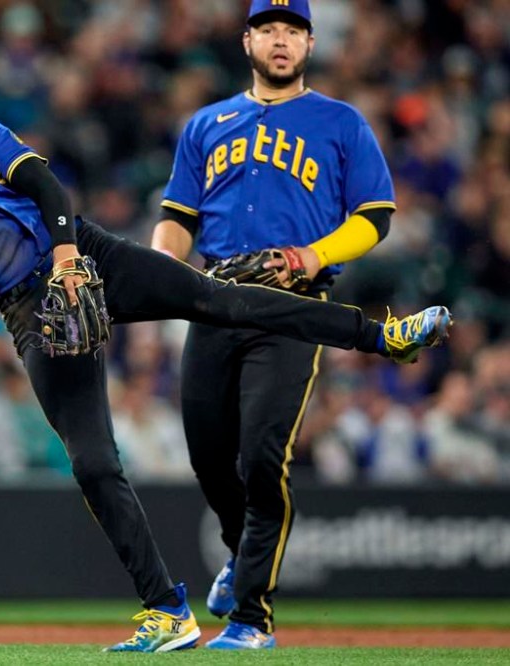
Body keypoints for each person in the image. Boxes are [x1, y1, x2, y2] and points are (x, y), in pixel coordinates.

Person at [0, 65, 451, 653]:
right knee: (91, 460)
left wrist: (71, 255)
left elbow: (43, 184)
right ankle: (166, 609)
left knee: (223, 299)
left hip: (88, 254)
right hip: (31, 311)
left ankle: (381, 335)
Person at [151, 0, 415, 650]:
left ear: (309, 42)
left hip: (295, 305)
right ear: (247, 39)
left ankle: (251, 618)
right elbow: (179, 215)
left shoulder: (340, 122)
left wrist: (316, 254)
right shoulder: (207, 124)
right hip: (214, 298)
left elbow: (376, 214)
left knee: (264, 458)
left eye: (291, 29)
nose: (280, 39)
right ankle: (243, 563)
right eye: (268, 28)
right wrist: (159, 268)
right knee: (210, 458)